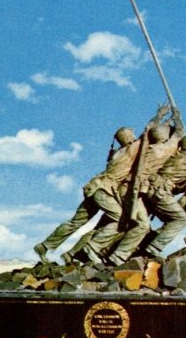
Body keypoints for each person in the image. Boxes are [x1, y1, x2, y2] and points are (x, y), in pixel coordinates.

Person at [32, 104, 171, 264]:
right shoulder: (130, 150)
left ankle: (45, 246)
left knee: (76, 222)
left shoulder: (117, 153)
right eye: (132, 135)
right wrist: (160, 115)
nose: (134, 137)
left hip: (94, 187)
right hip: (104, 190)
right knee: (119, 219)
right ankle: (92, 249)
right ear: (128, 138)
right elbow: (147, 131)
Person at [108, 134, 186, 263]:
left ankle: (121, 254)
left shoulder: (175, 157)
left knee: (156, 222)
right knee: (181, 219)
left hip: (150, 189)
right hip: (161, 192)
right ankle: (153, 248)